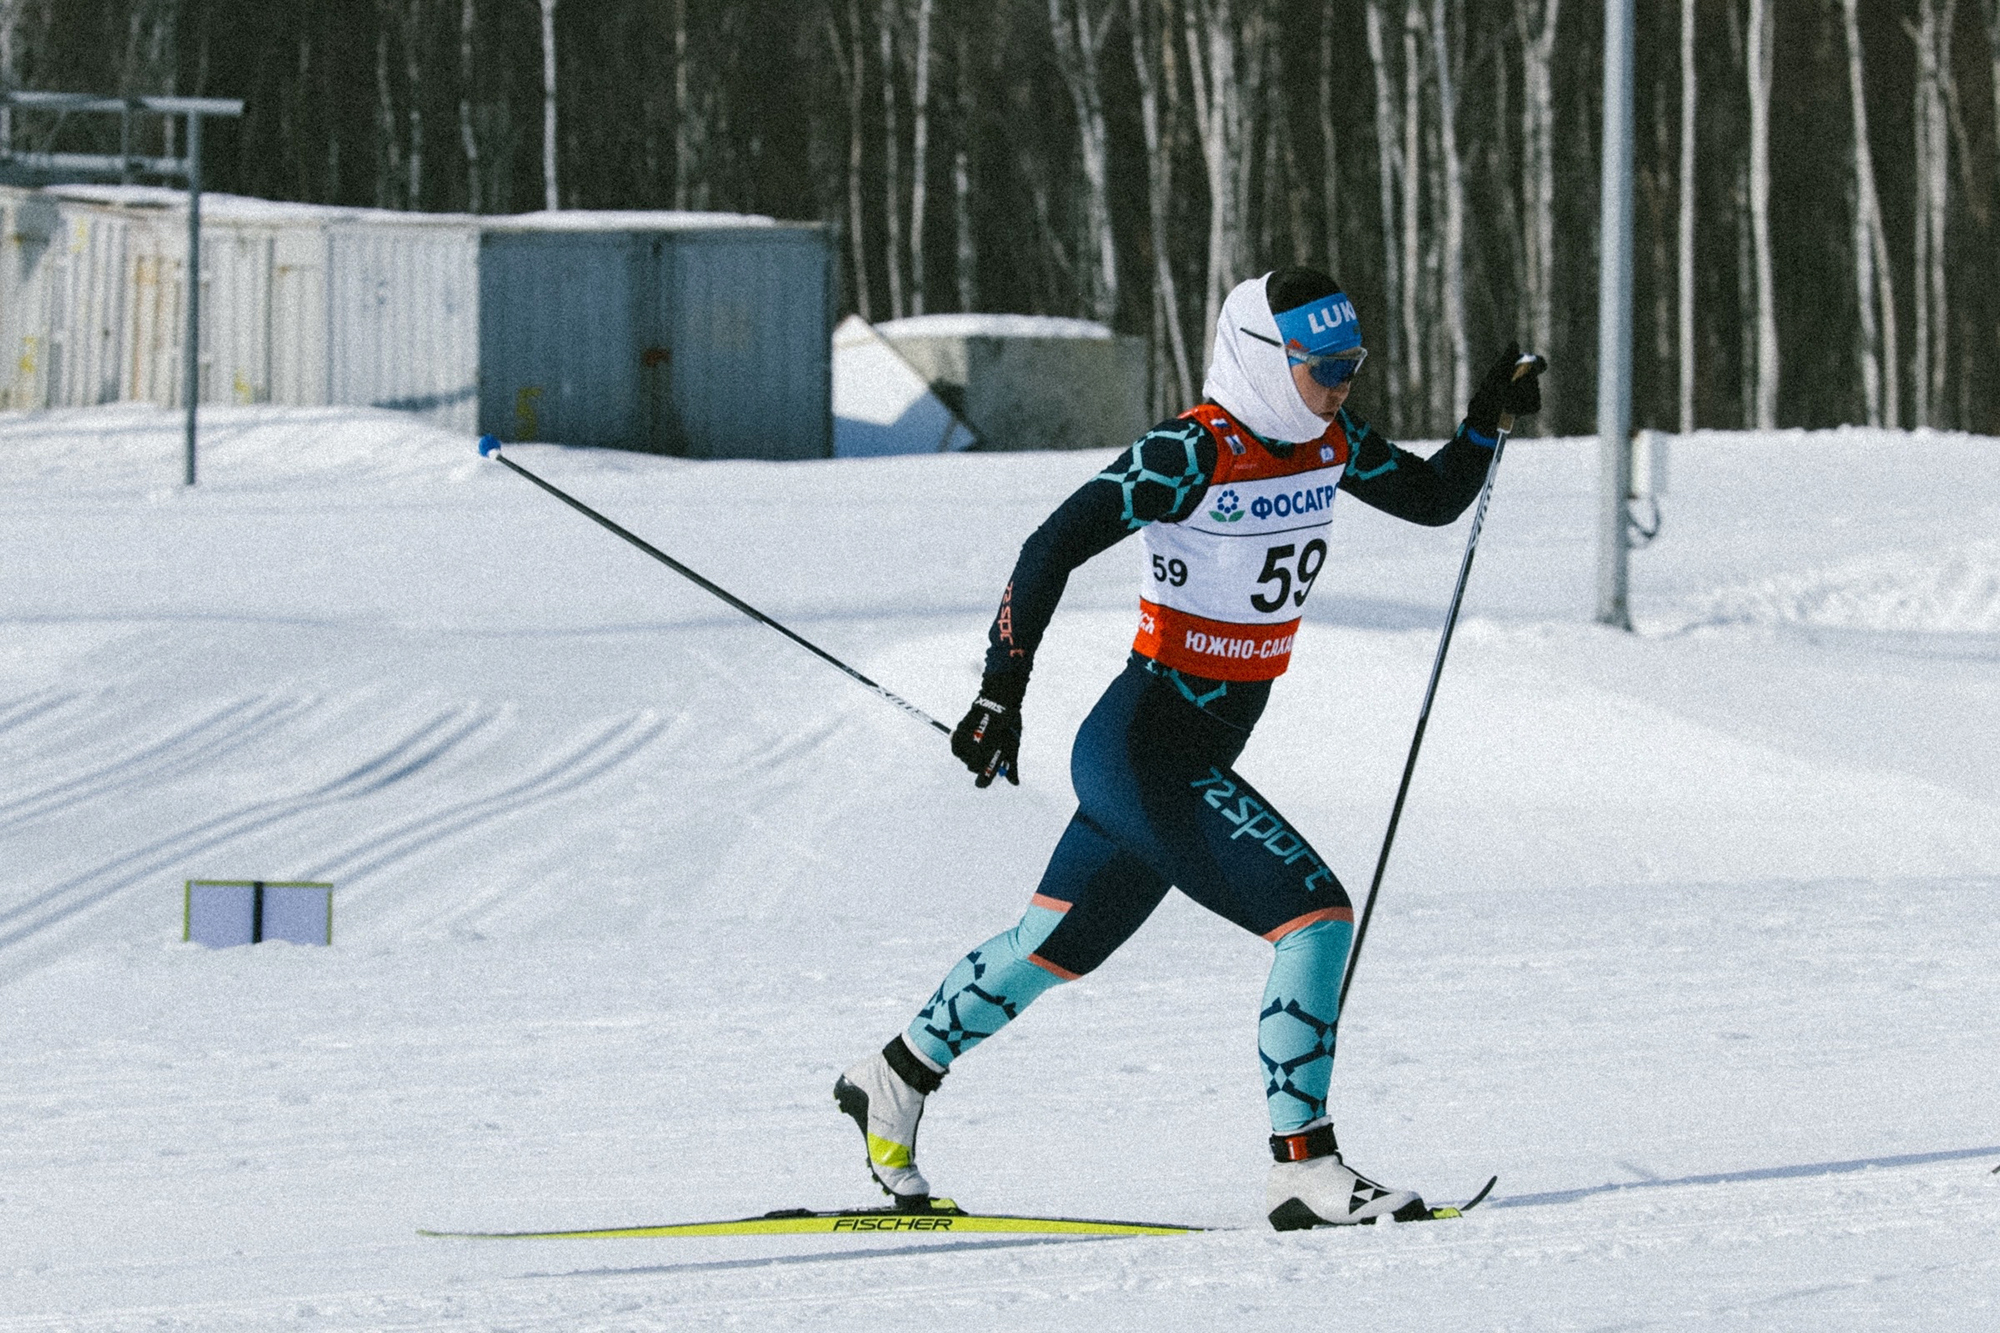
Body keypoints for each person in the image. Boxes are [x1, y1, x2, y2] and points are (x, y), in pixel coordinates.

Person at [835, 267, 1544, 1230]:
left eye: (1352, 364)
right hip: (1144, 746)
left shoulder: (1331, 441)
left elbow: (1431, 498)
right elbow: (1050, 545)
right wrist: (1001, 692)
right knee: (1316, 918)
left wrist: (1483, 423)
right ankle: (1303, 1168)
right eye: (1323, 367)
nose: (1340, 386)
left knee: (1051, 947)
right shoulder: (1191, 452)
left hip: (1182, 755)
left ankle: (893, 1074)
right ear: (1263, 359)